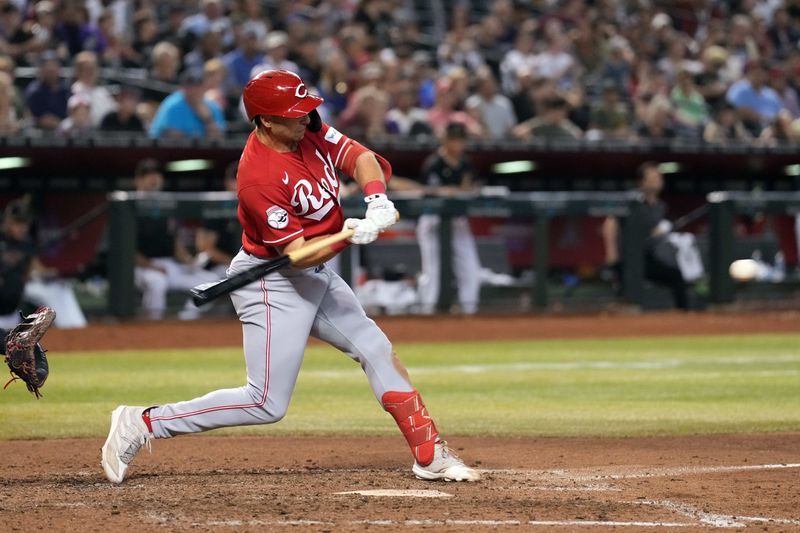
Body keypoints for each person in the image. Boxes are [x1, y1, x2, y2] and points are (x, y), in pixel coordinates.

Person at [101, 70, 479, 485]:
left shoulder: (307, 130)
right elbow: (296, 257)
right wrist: (348, 235)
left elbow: (360, 157)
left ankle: (430, 454)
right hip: (271, 282)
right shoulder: (258, 177)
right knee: (265, 402)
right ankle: (142, 421)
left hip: (314, 271)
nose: (307, 117)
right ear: (265, 120)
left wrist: (375, 199)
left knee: (375, 347)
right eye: (294, 113)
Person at [131, 159, 219, 320]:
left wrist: (189, 261)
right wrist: (151, 266)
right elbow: (126, 250)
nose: (153, 178)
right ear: (138, 180)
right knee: (157, 283)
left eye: (156, 174)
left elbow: (174, 241)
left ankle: (185, 319)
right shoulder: (130, 205)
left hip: (168, 265)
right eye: (148, 175)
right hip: (140, 267)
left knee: (212, 281)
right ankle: (151, 327)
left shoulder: (165, 205)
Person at [602, 162, 696, 309]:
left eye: (658, 178)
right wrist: (611, 253)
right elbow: (610, 224)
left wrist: (661, 231)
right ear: (642, 182)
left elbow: (653, 233)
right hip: (627, 257)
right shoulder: (630, 199)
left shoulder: (660, 205)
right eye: (652, 178)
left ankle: (683, 317)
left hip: (647, 256)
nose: (657, 181)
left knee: (676, 276)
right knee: (624, 296)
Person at [416, 122, 483, 315]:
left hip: (458, 220)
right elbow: (426, 191)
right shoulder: (434, 162)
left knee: (470, 268)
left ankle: (469, 312)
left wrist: (462, 191)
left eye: (460, 139)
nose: (457, 144)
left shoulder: (466, 163)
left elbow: (469, 187)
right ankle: (426, 313)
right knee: (432, 270)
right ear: (445, 139)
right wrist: (446, 191)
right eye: (453, 139)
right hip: (432, 219)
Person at [0, 199, 87, 329]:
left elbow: (35, 268)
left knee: (58, 286)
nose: (22, 227)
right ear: (8, 222)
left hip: (13, 304)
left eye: (25, 223)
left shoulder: (27, 243)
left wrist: (51, 274)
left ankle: (74, 328)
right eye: (17, 223)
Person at [148, 69, 226, 139]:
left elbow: (219, 138)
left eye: (198, 85)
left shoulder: (212, 106)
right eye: (190, 86)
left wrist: (208, 120)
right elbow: (173, 139)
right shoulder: (173, 105)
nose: (195, 90)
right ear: (183, 87)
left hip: (205, 153)